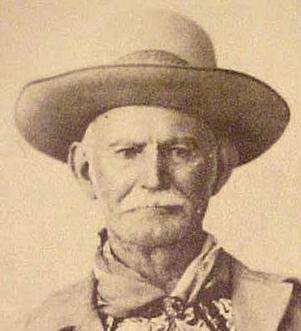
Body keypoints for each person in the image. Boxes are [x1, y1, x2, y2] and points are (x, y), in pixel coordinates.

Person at [15, 7, 300, 331]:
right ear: (84, 170)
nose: (154, 178)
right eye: (128, 152)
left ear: (220, 167)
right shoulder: (38, 326)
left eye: (180, 151)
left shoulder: (290, 314)